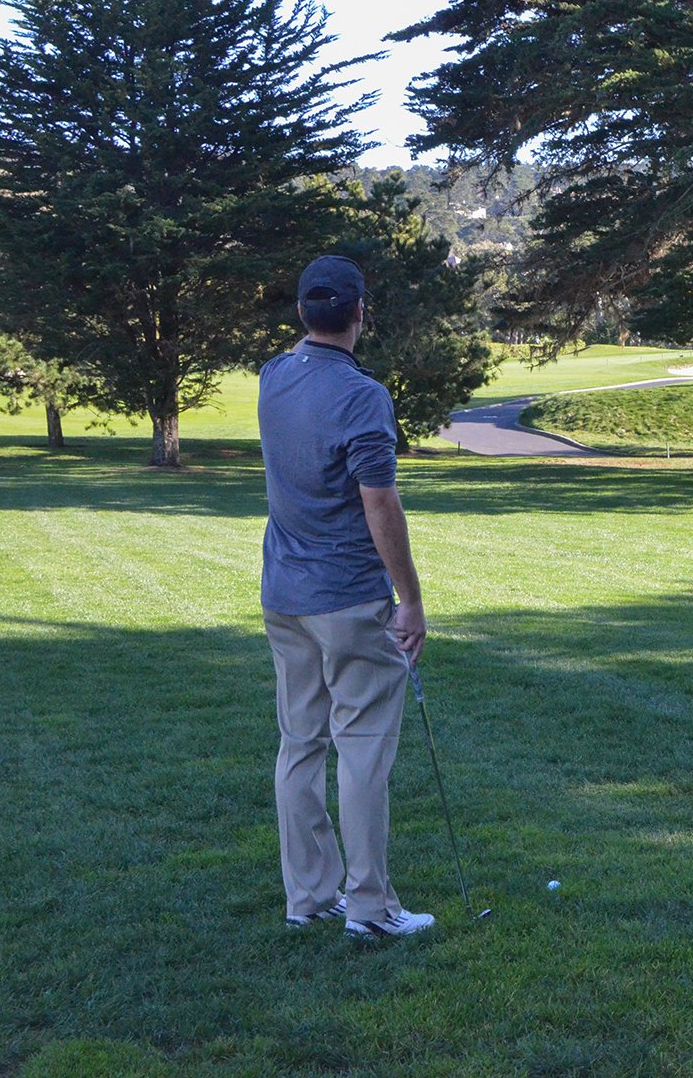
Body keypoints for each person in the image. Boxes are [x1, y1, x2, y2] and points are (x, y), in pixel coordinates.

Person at [258, 255, 434, 937]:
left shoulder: (274, 376)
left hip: (285, 595)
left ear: (303, 311)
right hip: (349, 598)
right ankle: (369, 909)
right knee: (360, 747)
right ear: (361, 312)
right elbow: (379, 503)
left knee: (299, 743)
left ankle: (308, 898)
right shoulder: (363, 395)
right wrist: (410, 598)